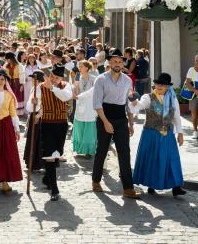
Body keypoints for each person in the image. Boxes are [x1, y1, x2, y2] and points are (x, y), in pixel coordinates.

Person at [91, 48, 140, 199]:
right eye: (114, 61)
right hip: (104, 116)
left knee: (125, 152)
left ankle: (128, 188)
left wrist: (131, 123)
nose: (117, 63)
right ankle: (96, 180)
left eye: (120, 61)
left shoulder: (127, 80)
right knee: (102, 150)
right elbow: (97, 103)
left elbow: (128, 103)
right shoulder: (101, 79)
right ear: (110, 62)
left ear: (122, 63)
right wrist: (105, 122)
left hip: (121, 119)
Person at [129, 73, 186, 197]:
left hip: (168, 133)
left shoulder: (172, 98)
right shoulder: (148, 97)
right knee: (153, 159)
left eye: (163, 85)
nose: (160, 86)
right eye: (158, 84)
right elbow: (136, 109)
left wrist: (180, 133)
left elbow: (176, 116)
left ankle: (176, 187)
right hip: (151, 134)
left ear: (167, 87)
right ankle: (151, 185)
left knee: (172, 159)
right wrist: (133, 101)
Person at [30, 64, 73, 201]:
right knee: (49, 155)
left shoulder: (66, 86)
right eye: (52, 77)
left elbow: (65, 97)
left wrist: (53, 87)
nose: (54, 79)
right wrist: (33, 102)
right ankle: (54, 189)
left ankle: (48, 177)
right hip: (47, 124)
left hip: (61, 124)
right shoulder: (40, 87)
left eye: (57, 77)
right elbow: (30, 106)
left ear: (62, 78)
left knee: (57, 154)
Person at [72, 61, 97, 157]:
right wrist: (76, 86)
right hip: (80, 105)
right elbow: (76, 92)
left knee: (89, 128)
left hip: (90, 106)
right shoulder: (78, 78)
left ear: (87, 68)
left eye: (81, 66)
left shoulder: (94, 79)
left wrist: (80, 96)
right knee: (79, 126)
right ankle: (79, 149)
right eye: (79, 66)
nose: (79, 68)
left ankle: (88, 151)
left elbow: (94, 91)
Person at [24, 70, 45, 171]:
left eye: (34, 78)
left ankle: (36, 163)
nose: (32, 80)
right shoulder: (34, 87)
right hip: (33, 114)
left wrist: (38, 115)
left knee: (36, 139)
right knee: (32, 139)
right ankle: (32, 162)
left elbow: (44, 104)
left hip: (37, 116)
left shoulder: (41, 88)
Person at [4, 52, 26, 116]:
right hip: (8, 82)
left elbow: (22, 75)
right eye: (7, 59)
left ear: (12, 59)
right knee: (9, 96)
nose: (7, 60)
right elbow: (4, 73)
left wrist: (22, 85)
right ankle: (9, 111)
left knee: (17, 96)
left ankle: (17, 112)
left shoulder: (19, 65)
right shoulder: (6, 65)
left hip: (17, 83)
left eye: (8, 59)